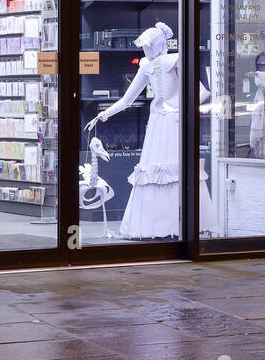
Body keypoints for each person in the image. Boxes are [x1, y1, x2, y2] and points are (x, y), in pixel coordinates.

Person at [86, 22, 215, 237]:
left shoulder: (174, 60)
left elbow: (201, 92)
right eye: (144, 47)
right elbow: (128, 99)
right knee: (159, 173)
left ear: (158, 44)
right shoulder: (149, 65)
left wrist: (179, 110)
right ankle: (164, 226)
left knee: (169, 172)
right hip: (163, 122)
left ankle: (174, 225)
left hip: (170, 122)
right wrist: (103, 114)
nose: (146, 50)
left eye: (149, 46)